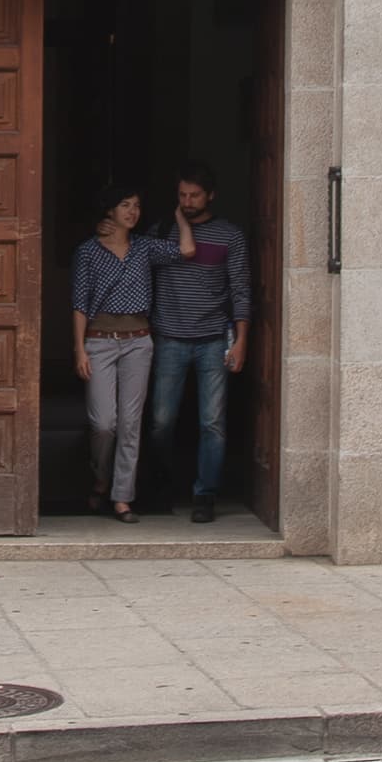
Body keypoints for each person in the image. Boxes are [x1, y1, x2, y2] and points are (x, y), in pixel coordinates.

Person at [145, 169, 253, 523]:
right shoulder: (162, 231)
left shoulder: (230, 236)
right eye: (182, 196)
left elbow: (240, 289)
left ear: (211, 195)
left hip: (213, 340)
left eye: (194, 195)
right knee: (161, 421)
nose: (187, 202)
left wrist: (241, 341)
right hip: (169, 338)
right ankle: (161, 486)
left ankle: (205, 495)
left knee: (213, 423)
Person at [68, 187, 167, 522]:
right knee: (104, 423)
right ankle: (101, 477)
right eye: (125, 205)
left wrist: (180, 217)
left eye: (137, 205)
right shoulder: (88, 251)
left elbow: (186, 250)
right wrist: (79, 349)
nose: (132, 211)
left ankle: (122, 497)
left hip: (138, 341)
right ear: (109, 211)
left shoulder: (145, 247)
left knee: (130, 423)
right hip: (99, 342)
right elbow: (79, 302)